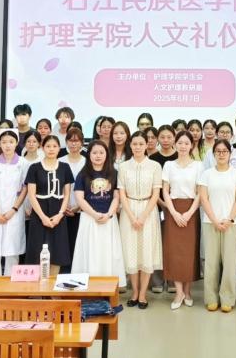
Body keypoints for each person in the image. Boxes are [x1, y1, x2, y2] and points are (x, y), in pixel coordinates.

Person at [198, 139, 236, 313]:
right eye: (218, 151)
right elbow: (204, 199)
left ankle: (227, 298)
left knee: (229, 262)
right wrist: (215, 220)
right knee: (211, 262)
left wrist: (229, 220)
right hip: (210, 223)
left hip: (232, 224)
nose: (221, 154)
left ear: (230, 153)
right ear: (213, 154)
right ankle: (211, 298)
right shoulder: (206, 174)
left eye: (224, 151)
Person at [72, 140, 127, 286]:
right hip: (89, 219)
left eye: (101, 152)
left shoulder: (114, 173)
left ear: (107, 155)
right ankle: (89, 287)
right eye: (94, 152)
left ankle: (108, 287)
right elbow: (79, 198)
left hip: (109, 219)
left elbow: (116, 197)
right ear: (89, 155)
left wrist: (108, 214)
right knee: (90, 253)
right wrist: (94, 214)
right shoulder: (82, 174)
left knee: (107, 253)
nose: (98, 156)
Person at [118, 132, 162, 309]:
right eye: (134, 144)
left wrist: (142, 217)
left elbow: (156, 194)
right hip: (128, 212)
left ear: (147, 145)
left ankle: (143, 294)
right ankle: (134, 292)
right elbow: (121, 193)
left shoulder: (155, 166)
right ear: (130, 145)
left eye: (141, 144)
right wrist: (131, 216)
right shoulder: (123, 167)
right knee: (131, 254)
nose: (137, 147)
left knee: (146, 253)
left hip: (148, 212)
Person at [161, 131, 203, 310]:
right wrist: (173, 212)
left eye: (186, 143)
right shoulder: (169, 165)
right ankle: (178, 292)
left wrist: (189, 212)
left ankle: (188, 291)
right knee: (174, 252)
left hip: (191, 210)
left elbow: (200, 192)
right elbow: (165, 190)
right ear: (175, 144)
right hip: (173, 209)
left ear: (191, 145)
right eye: (180, 143)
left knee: (189, 252)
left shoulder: (198, 166)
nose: (183, 146)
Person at [25, 135, 74, 273]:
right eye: (48, 146)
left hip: (58, 214)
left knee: (58, 251)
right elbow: (31, 195)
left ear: (59, 148)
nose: (51, 149)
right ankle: (38, 285)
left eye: (54, 146)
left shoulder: (65, 167)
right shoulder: (34, 168)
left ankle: (53, 285)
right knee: (37, 250)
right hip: (39, 214)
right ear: (42, 148)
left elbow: (67, 194)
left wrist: (60, 215)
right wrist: (42, 217)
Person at [0, 129, 28, 276]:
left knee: (12, 250)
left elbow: (25, 189)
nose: (7, 145)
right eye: (4, 142)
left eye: (11, 142)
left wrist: (13, 210)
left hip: (14, 209)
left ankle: (11, 285)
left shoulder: (23, 163)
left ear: (16, 143)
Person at [62, 128, 88, 261]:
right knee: (64, 244)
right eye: (70, 140)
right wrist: (64, 207)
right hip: (62, 209)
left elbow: (89, 188)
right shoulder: (60, 161)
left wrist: (78, 206)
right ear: (66, 142)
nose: (73, 144)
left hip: (82, 209)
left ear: (82, 143)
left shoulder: (87, 162)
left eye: (77, 141)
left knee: (79, 243)